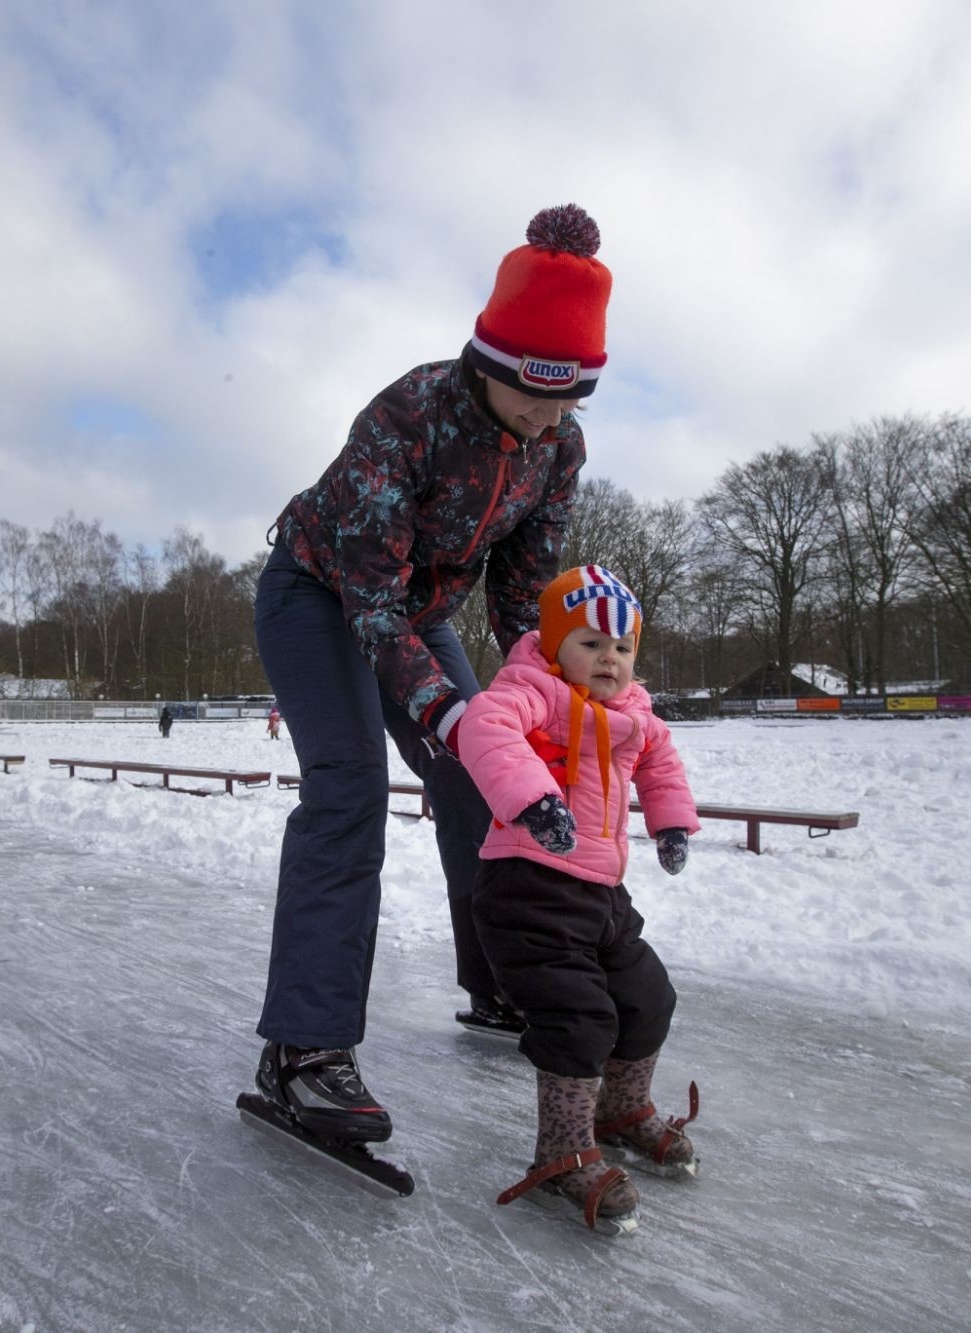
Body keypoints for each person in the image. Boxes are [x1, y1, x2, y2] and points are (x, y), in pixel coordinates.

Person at [249, 204, 611, 1148]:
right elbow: (370, 604)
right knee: (350, 789)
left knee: (481, 778)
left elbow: (526, 596)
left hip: (417, 615)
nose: (548, 418)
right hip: (317, 593)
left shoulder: (557, 449)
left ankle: (501, 981)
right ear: (491, 366)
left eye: (571, 398)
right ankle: (303, 1048)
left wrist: (555, 698)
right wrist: (446, 710)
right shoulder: (406, 415)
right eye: (536, 393)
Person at [459, 566, 700, 1235]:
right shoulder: (529, 690)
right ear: (555, 645)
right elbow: (486, 729)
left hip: (601, 891)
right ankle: (561, 1155)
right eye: (591, 644)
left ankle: (622, 1110)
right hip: (527, 888)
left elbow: (661, 763)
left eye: (621, 648)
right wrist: (534, 799)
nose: (609, 659)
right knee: (577, 1017)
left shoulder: (635, 713)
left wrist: (671, 820)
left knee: (647, 996)